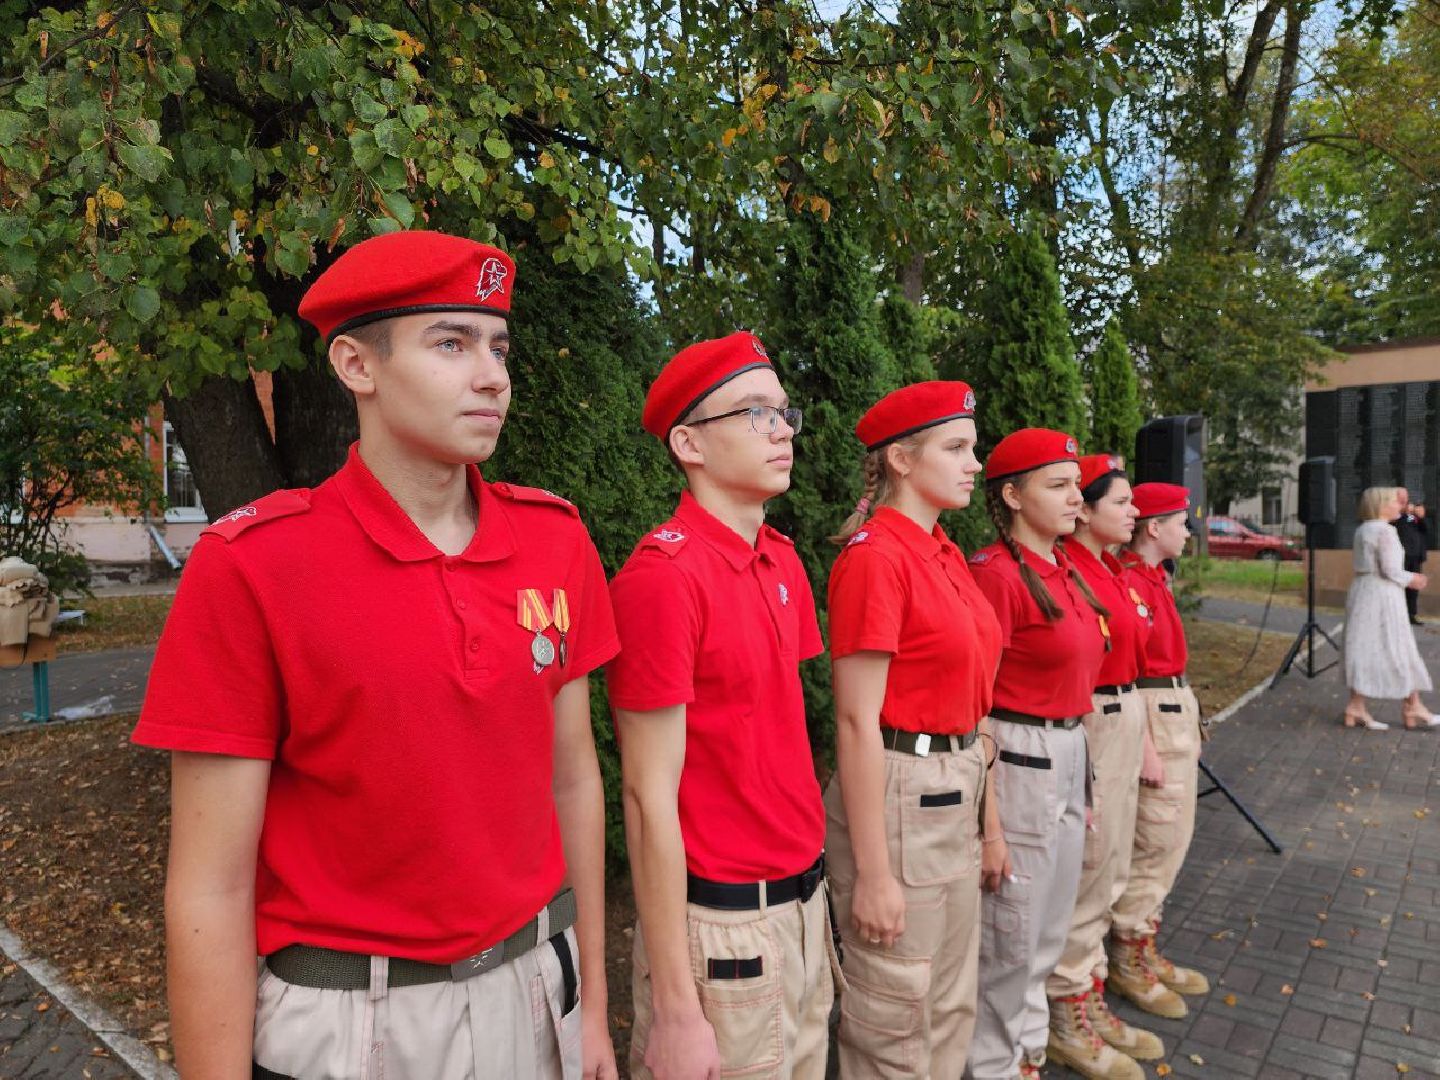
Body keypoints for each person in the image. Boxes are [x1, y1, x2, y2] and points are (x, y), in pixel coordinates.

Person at [133, 231, 619, 1080]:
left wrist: (597, 1018)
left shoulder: (556, 540)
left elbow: (573, 779)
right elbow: (210, 886)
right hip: (355, 1026)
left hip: (539, 994)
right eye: (450, 343)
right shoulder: (254, 567)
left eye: (498, 345)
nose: (492, 374)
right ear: (356, 365)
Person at [609, 332, 838, 1080]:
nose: (782, 431)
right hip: (723, 936)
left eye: (783, 413)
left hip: (804, 910)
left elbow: (776, 735)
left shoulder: (781, 559)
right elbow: (646, 799)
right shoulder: (663, 580)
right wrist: (677, 1007)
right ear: (688, 443)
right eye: (754, 414)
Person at [824, 382, 1004, 1078]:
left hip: (955, 781)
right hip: (899, 794)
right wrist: (873, 873)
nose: (974, 462)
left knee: (952, 1001)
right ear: (901, 457)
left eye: (972, 446)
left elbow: (972, 704)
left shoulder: (943, 551)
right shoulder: (877, 557)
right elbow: (853, 719)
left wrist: (990, 825)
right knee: (895, 1014)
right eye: (956, 447)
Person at [964, 429, 1110, 1080]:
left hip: (1067, 748)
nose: (1076, 496)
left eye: (1077, 483)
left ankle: (1026, 1053)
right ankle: (995, 1064)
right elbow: (976, 704)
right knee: (1012, 935)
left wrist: (1086, 782)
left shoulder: (1070, 568)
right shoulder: (994, 576)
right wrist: (987, 821)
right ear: (1013, 496)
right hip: (1018, 754)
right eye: (1058, 485)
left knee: (1049, 926)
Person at [1045, 455, 1161, 1078]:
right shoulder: (1071, 571)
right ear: (1086, 512)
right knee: (1088, 873)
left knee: (1110, 865)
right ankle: (1068, 1007)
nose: (1134, 513)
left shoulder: (1107, 570)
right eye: (1120, 502)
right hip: (1088, 721)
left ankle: (1086, 993)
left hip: (1119, 715)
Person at [1108, 483, 1209, 1022]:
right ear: (1154, 528)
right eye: (1180, 522)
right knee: (1154, 838)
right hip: (1153, 712)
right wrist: (1145, 743)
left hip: (1172, 706)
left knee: (1171, 838)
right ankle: (1127, 953)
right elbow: (1126, 670)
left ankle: (1144, 943)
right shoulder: (1125, 581)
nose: (1187, 531)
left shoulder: (1152, 578)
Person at [1345, 486, 1437, 730]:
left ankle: (1357, 705)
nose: (1400, 506)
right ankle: (1412, 706)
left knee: (1364, 646)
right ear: (1382, 505)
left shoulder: (1363, 529)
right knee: (1396, 646)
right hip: (1383, 595)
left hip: (1363, 591)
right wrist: (1414, 579)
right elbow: (1391, 570)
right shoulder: (1384, 530)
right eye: (1394, 502)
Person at [1393, 488, 1429, 626]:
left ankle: (1411, 615)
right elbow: (1399, 525)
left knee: (1413, 588)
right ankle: (1398, 614)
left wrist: (1420, 516)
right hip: (1402, 557)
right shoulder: (1400, 519)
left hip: (1416, 558)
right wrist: (1406, 513)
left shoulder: (1419, 522)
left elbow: (1427, 530)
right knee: (1400, 586)